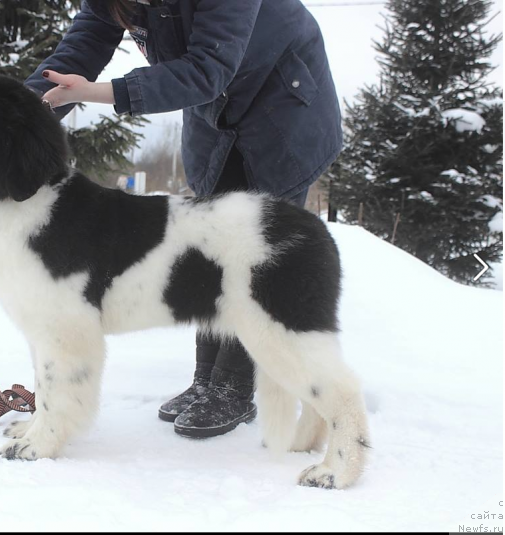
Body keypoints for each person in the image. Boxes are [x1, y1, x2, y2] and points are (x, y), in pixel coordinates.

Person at [25, 0, 342, 438]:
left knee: (252, 252)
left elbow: (208, 69)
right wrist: (17, 119)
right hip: (213, 108)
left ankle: (232, 388)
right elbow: (81, 48)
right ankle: (206, 379)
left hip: (283, 104)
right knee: (210, 240)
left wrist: (98, 92)